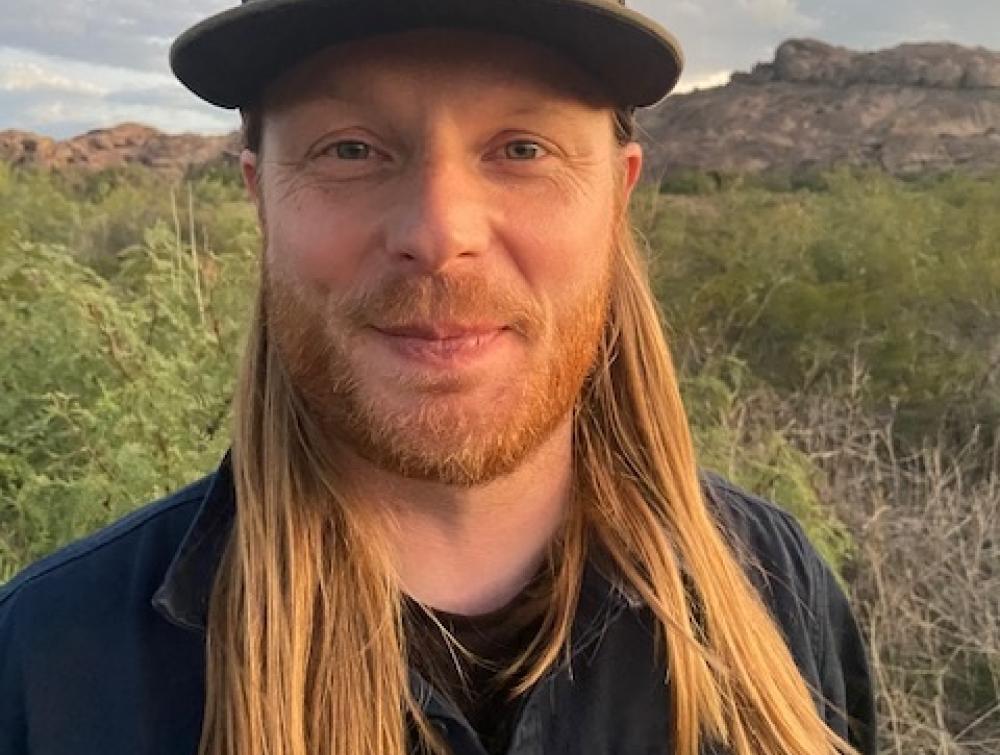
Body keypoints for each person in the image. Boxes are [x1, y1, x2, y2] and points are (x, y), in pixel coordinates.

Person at [0, 1, 876, 754]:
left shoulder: (775, 592)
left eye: (522, 147)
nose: (438, 229)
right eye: (349, 150)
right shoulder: (52, 663)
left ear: (618, 196)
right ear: (260, 198)